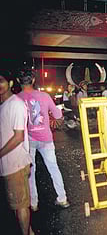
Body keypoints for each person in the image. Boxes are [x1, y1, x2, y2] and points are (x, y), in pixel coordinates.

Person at [16, 68, 70, 211]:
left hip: (28, 141)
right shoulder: (45, 96)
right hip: (46, 138)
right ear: (33, 80)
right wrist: (51, 126)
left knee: (31, 172)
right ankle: (62, 199)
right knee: (53, 168)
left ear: (17, 82)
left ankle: (33, 203)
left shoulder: (16, 99)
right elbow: (59, 116)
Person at [0, 70, 34, 235]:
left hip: (16, 163)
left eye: (1, 80)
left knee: (20, 205)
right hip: (8, 164)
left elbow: (19, 137)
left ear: (11, 83)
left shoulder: (16, 104)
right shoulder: (4, 105)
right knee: (17, 205)